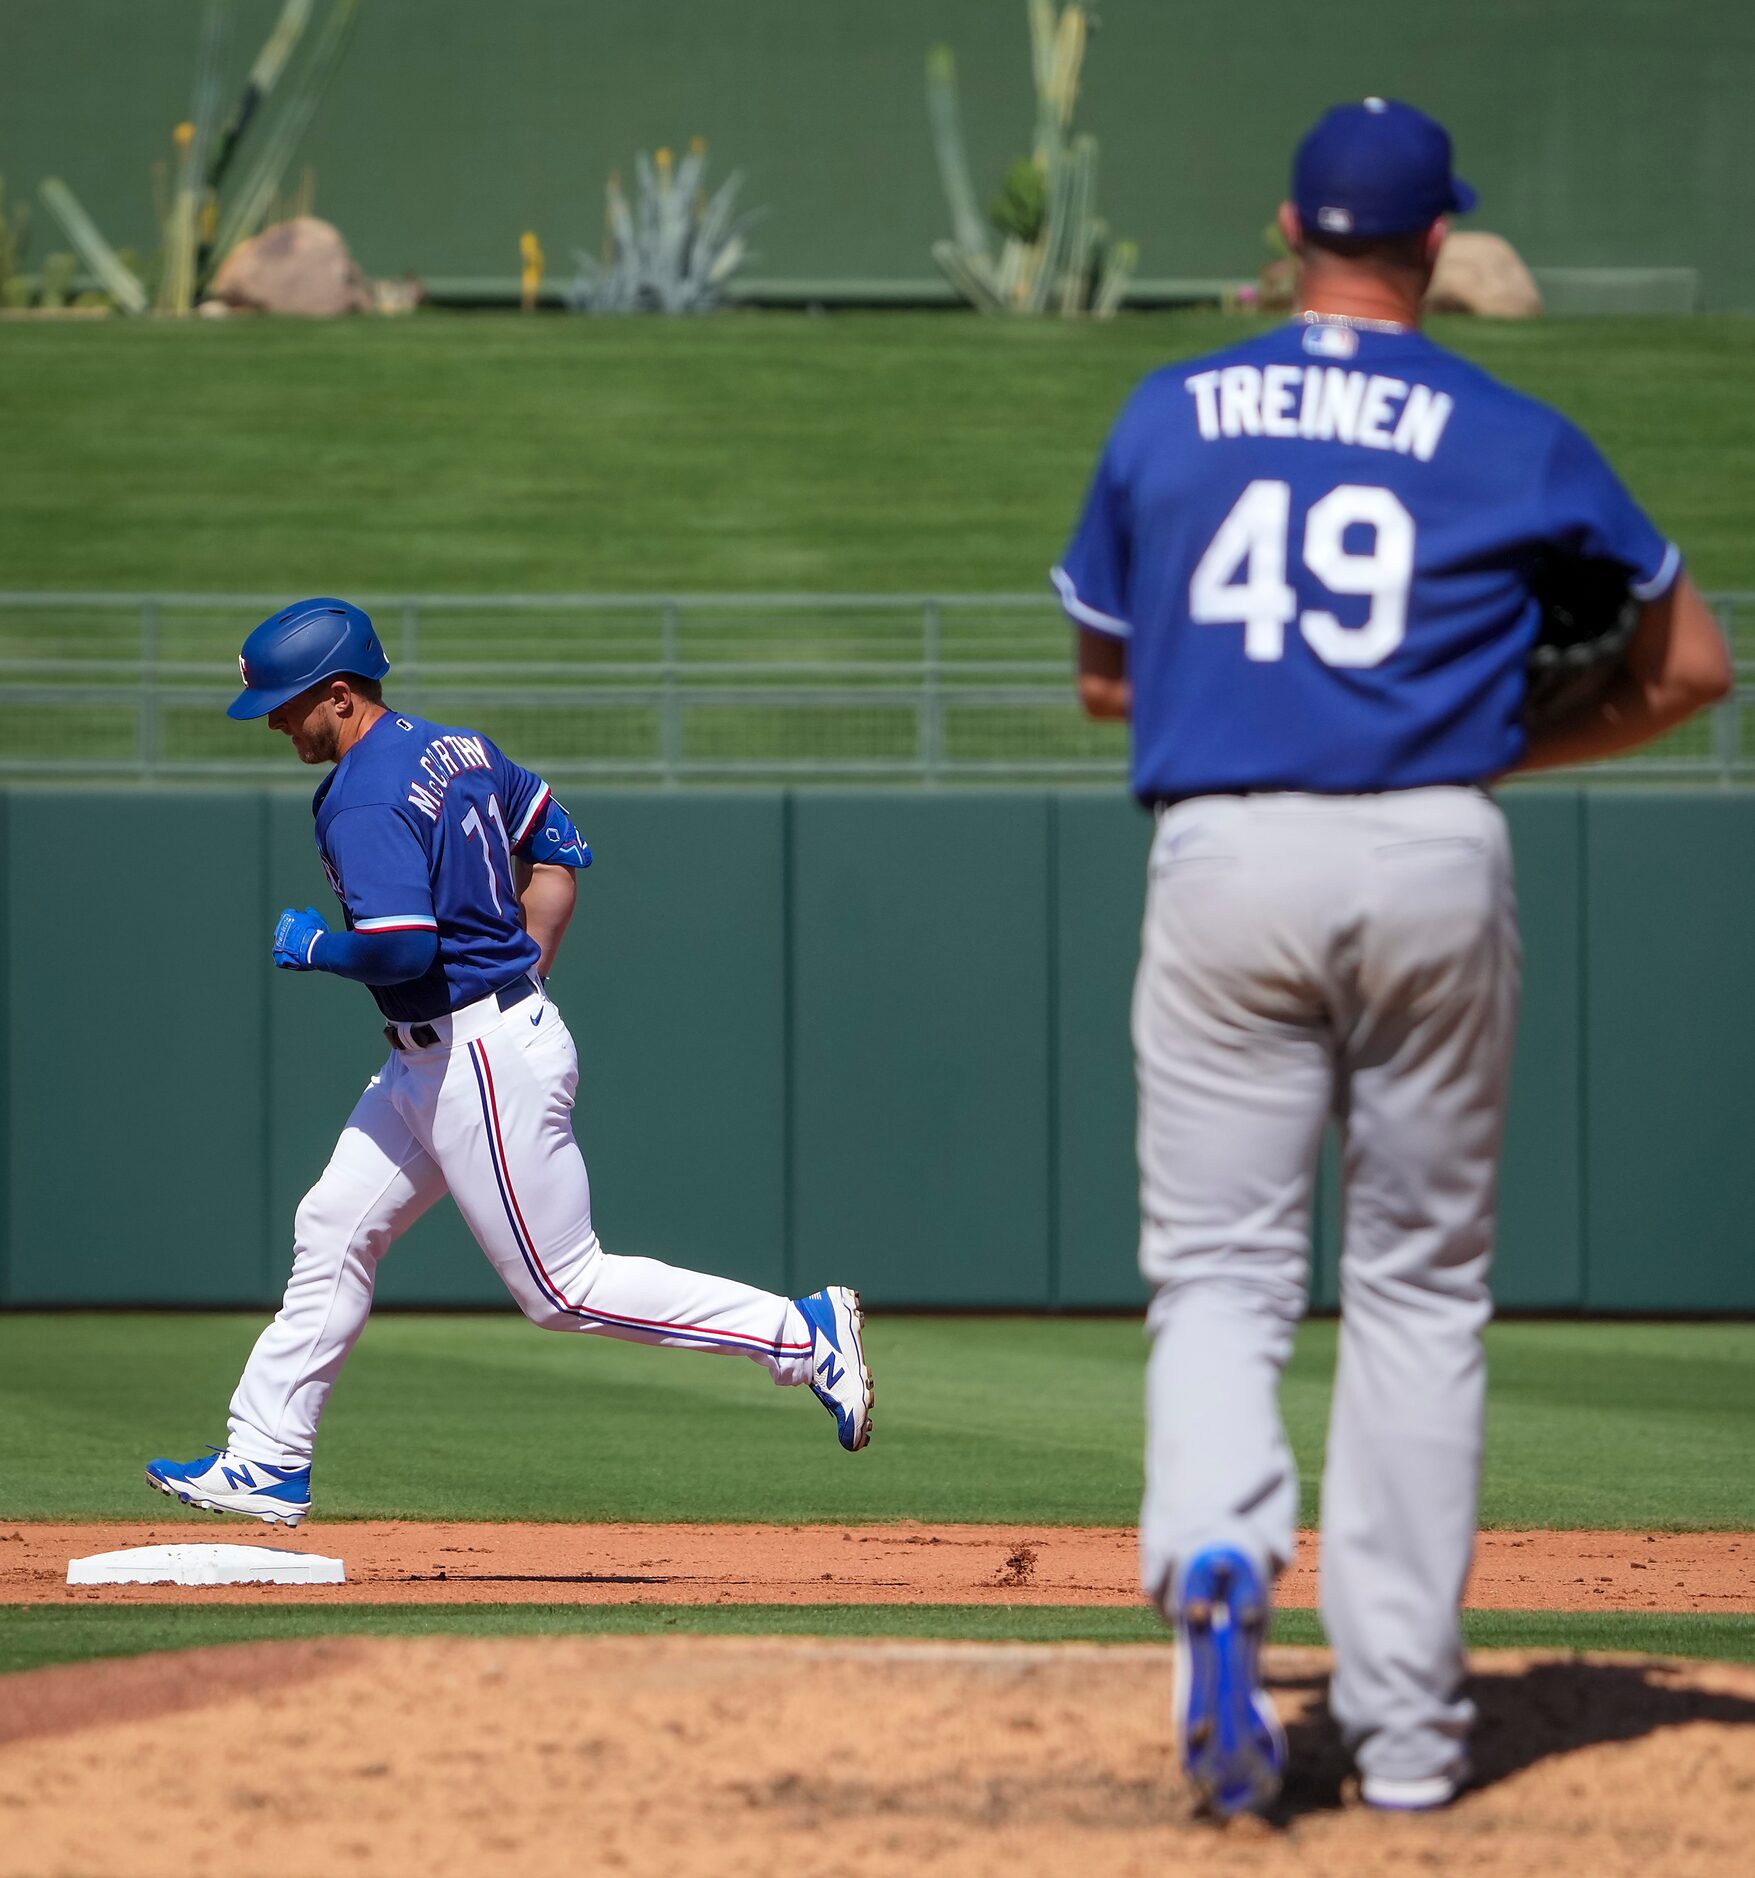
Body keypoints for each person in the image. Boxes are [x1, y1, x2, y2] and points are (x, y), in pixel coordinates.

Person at [1054, 99, 1731, 1816]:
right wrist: (1510, 729)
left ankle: (1215, 1543)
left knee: (1219, 1272)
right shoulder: (1507, 427)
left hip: (1225, 850)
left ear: (1292, 231)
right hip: (1434, 839)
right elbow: (1691, 666)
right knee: (1420, 1291)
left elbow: (1108, 682)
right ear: (1436, 246)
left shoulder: (1169, 412)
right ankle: (1416, 1737)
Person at [147, 598, 873, 1526]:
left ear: (339, 695)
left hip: (473, 1055)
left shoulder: (364, 794)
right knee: (333, 1227)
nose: (280, 723)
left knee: (561, 1287)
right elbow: (558, 847)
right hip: (455, 1049)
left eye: (290, 705)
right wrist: (522, 971)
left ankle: (802, 1337)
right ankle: (265, 1459)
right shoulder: (460, 748)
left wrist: (316, 948)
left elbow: (403, 949)